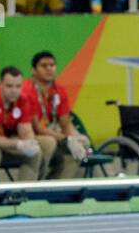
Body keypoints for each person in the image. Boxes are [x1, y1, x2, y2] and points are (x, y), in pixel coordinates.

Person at [23, 50, 90, 179]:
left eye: (52, 65)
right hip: (30, 135)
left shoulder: (60, 90)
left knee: (82, 143)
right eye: (44, 66)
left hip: (51, 134)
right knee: (49, 143)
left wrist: (75, 138)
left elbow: (65, 124)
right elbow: (37, 128)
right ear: (34, 70)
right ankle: (38, 182)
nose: (49, 69)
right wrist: (66, 139)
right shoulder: (27, 90)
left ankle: (57, 185)